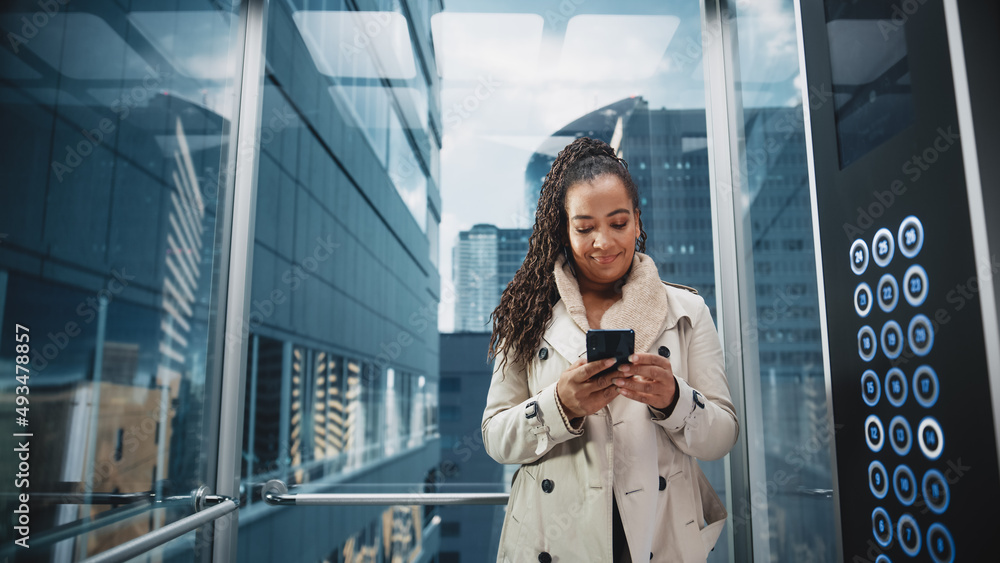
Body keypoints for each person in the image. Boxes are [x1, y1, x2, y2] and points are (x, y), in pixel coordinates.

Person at [482, 137, 739, 562]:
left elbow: (722, 436)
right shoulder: (527, 316)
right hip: (556, 541)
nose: (603, 242)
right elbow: (495, 438)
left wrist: (673, 400)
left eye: (618, 223)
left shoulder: (687, 311)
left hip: (659, 535)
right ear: (563, 230)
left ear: (638, 222)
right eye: (584, 228)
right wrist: (559, 405)